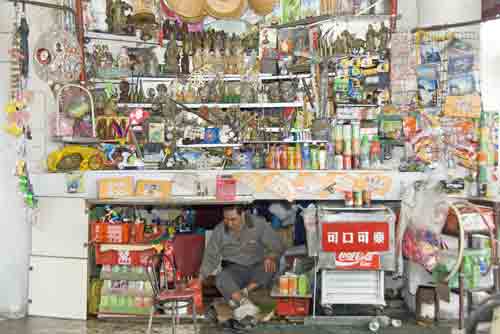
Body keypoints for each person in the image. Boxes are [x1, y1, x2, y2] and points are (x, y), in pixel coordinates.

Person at [200, 206, 285, 319]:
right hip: (235, 270)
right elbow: (211, 257)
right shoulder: (219, 230)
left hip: (257, 269)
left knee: (272, 265)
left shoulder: (259, 224)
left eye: (233, 219)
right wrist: (200, 277)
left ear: (243, 214)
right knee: (221, 278)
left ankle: (241, 294)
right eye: (226, 219)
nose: (229, 224)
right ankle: (245, 302)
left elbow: (277, 246)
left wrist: (271, 257)